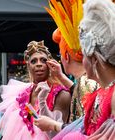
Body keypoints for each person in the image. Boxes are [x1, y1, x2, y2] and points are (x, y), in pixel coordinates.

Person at [35, 0, 115, 139]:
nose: (81, 60)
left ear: (94, 60)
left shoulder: (110, 95)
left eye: (84, 55)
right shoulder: (101, 93)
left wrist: (53, 125)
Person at [0, 40, 72, 140]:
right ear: (28, 66)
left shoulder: (61, 94)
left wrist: (42, 101)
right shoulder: (22, 94)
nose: (38, 64)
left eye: (43, 60)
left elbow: (57, 133)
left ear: (50, 65)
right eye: (33, 61)